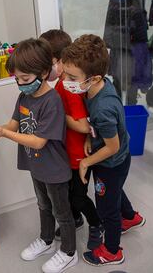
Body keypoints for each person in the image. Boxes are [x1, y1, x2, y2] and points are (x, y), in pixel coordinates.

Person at [0, 39, 77, 273]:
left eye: (25, 79)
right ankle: (47, 240)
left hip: (54, 169)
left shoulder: (52, 102)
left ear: (42, 72)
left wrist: (4, 134)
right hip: (36, 166)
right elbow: (14, 124)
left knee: (62, 211)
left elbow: (39, 141)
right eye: (17, 79)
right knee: (43, 205)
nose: (20, 84)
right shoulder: (24, 97)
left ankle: (69, 252)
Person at [61, 34, 145, 266]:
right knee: (114, 192)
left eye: (72, 77)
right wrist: (89, 136)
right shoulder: (96, 87)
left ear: (93, 77)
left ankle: (111, 251)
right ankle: (129, 217)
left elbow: (112, 146)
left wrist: (87, 162)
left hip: (111, 161)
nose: (66, 80)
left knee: (107, 207)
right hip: (113, 158)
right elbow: (97, 129)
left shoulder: (103, 108)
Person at [40, 29, 103, 250]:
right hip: (67, 153)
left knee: (78, 197)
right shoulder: (61, 84)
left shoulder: (69, 88)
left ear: (59, 61)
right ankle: (76, 219)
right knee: (68, 193)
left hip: (79, 156)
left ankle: (96, 224)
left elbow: (84, 125)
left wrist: (59, 116)